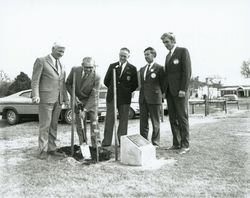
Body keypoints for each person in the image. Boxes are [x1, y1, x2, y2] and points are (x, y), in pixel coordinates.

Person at [31, 42, 69, 159]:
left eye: (63, 51)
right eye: (59, 51)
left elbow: (63, 84)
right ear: (53, 49)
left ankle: (52, 149)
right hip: (45, 99)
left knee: (54, 125)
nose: (61, 53)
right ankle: (42, 151)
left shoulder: (62, 65)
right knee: (45, 125)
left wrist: (66, 99)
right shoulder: (41, 61)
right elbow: (35, 80)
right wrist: (35, 95)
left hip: (58, 100)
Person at [161, 32, 192, 154]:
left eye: (167, 42)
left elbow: (187, 72)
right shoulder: (167, 56)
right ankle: (176, 143)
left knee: (182, 117)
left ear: (173, 41)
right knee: (172, 118)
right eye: (163, 42)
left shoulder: (182, 51)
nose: (165, 44)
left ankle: (185, 145)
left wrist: (183, 89)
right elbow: (167, 76)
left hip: (180, 92)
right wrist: (165, 91)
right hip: (170, 92)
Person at [102, 48, 138, 146]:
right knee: (109, 119)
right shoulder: (112, 66)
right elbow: (106, 81)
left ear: (128, 56)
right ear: (119, 55)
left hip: (125, 98)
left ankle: (122, 142)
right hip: (112, 97)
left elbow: (135, 84)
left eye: (124, 56)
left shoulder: (132, 68)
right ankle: (106, 142)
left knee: (123, 121)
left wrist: (125, 91)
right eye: (121, 55)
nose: (122, 58)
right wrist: (114, 89)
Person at [66, 57, 101, 148]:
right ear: (82, 65)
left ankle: (96, 145)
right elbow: (68, 83)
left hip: (91, 101)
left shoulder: (97, 76)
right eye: (86, 67)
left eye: (91, 67)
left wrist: (85, 110)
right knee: (80, 124)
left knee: (94, 123)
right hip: (77, 100)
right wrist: (74, 97)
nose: (88, 69)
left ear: (94, 66)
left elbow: (94, 95)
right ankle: (83, 143)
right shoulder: (74, 70)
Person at [139, 47, 165, 147]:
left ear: (153, 55)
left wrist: (161, 96)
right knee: (143, 123)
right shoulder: (142, 69)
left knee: (155, 122)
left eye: (148, 54)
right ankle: (143, 141)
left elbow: (163, 84)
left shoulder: (159, 68)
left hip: (154, 98)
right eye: (145, 55)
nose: (146, 56)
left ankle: (155, 142)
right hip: (143, 99)